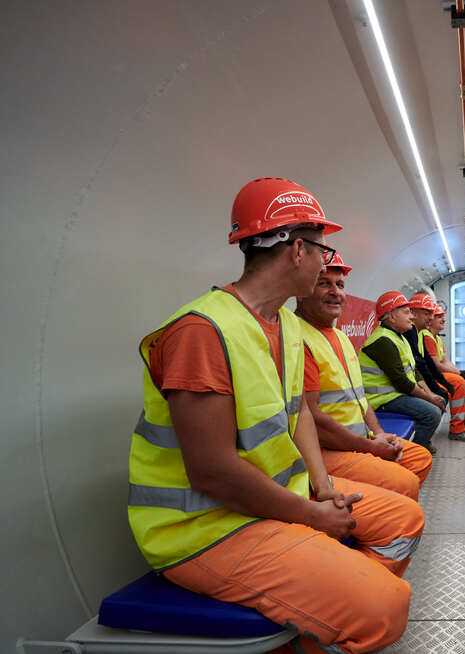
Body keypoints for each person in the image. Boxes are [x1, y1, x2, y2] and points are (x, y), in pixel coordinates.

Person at [127, 177, 424, 654]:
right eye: (323, 253)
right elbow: (213, 472)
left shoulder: (285, 323)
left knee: (402, 518)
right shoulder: (201, 332)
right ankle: (326, 620)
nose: (327, 264)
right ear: (297, 250)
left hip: (274, 502)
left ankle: (319, 615)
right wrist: (311, 515)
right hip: (208, 527)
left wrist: (323, 486)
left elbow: (298, 416)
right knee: (385, 607)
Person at [296, 253, 433, 500]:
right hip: (328, 449)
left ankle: (383, 501)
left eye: (340, 285)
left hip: (360, 438)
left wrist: (378, 433)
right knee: (406, 484)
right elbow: (311, 419)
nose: (335, 292)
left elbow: (361, 397)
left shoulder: (341, 338)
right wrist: (370, 447)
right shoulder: (299, 338)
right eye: (324, 283)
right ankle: (383, 509)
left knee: (421, 459)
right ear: (302, 290)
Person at [359, 291, 445, 452]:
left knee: (436, 402)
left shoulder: (399, 337)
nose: (411, 317)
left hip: (395, 395)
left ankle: (421, 444)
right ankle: (412, 454)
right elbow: (402, 383)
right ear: (391, 317)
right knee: (432, 413)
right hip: (380, 400)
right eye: (406, 313)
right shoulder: (383, 341)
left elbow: (414, 371)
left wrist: (430, 393)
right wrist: (429, 398)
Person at [417, 295, 465, 441]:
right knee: (458, 382)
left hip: (436, 373)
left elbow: (446, 362)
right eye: (439, 316)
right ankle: (456, 429)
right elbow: (437, 366)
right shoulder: (426, 336)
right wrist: (459, 374)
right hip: (432, 375)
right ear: (431, 321)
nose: (443, 319)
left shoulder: (436, 337)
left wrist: (461, 372)